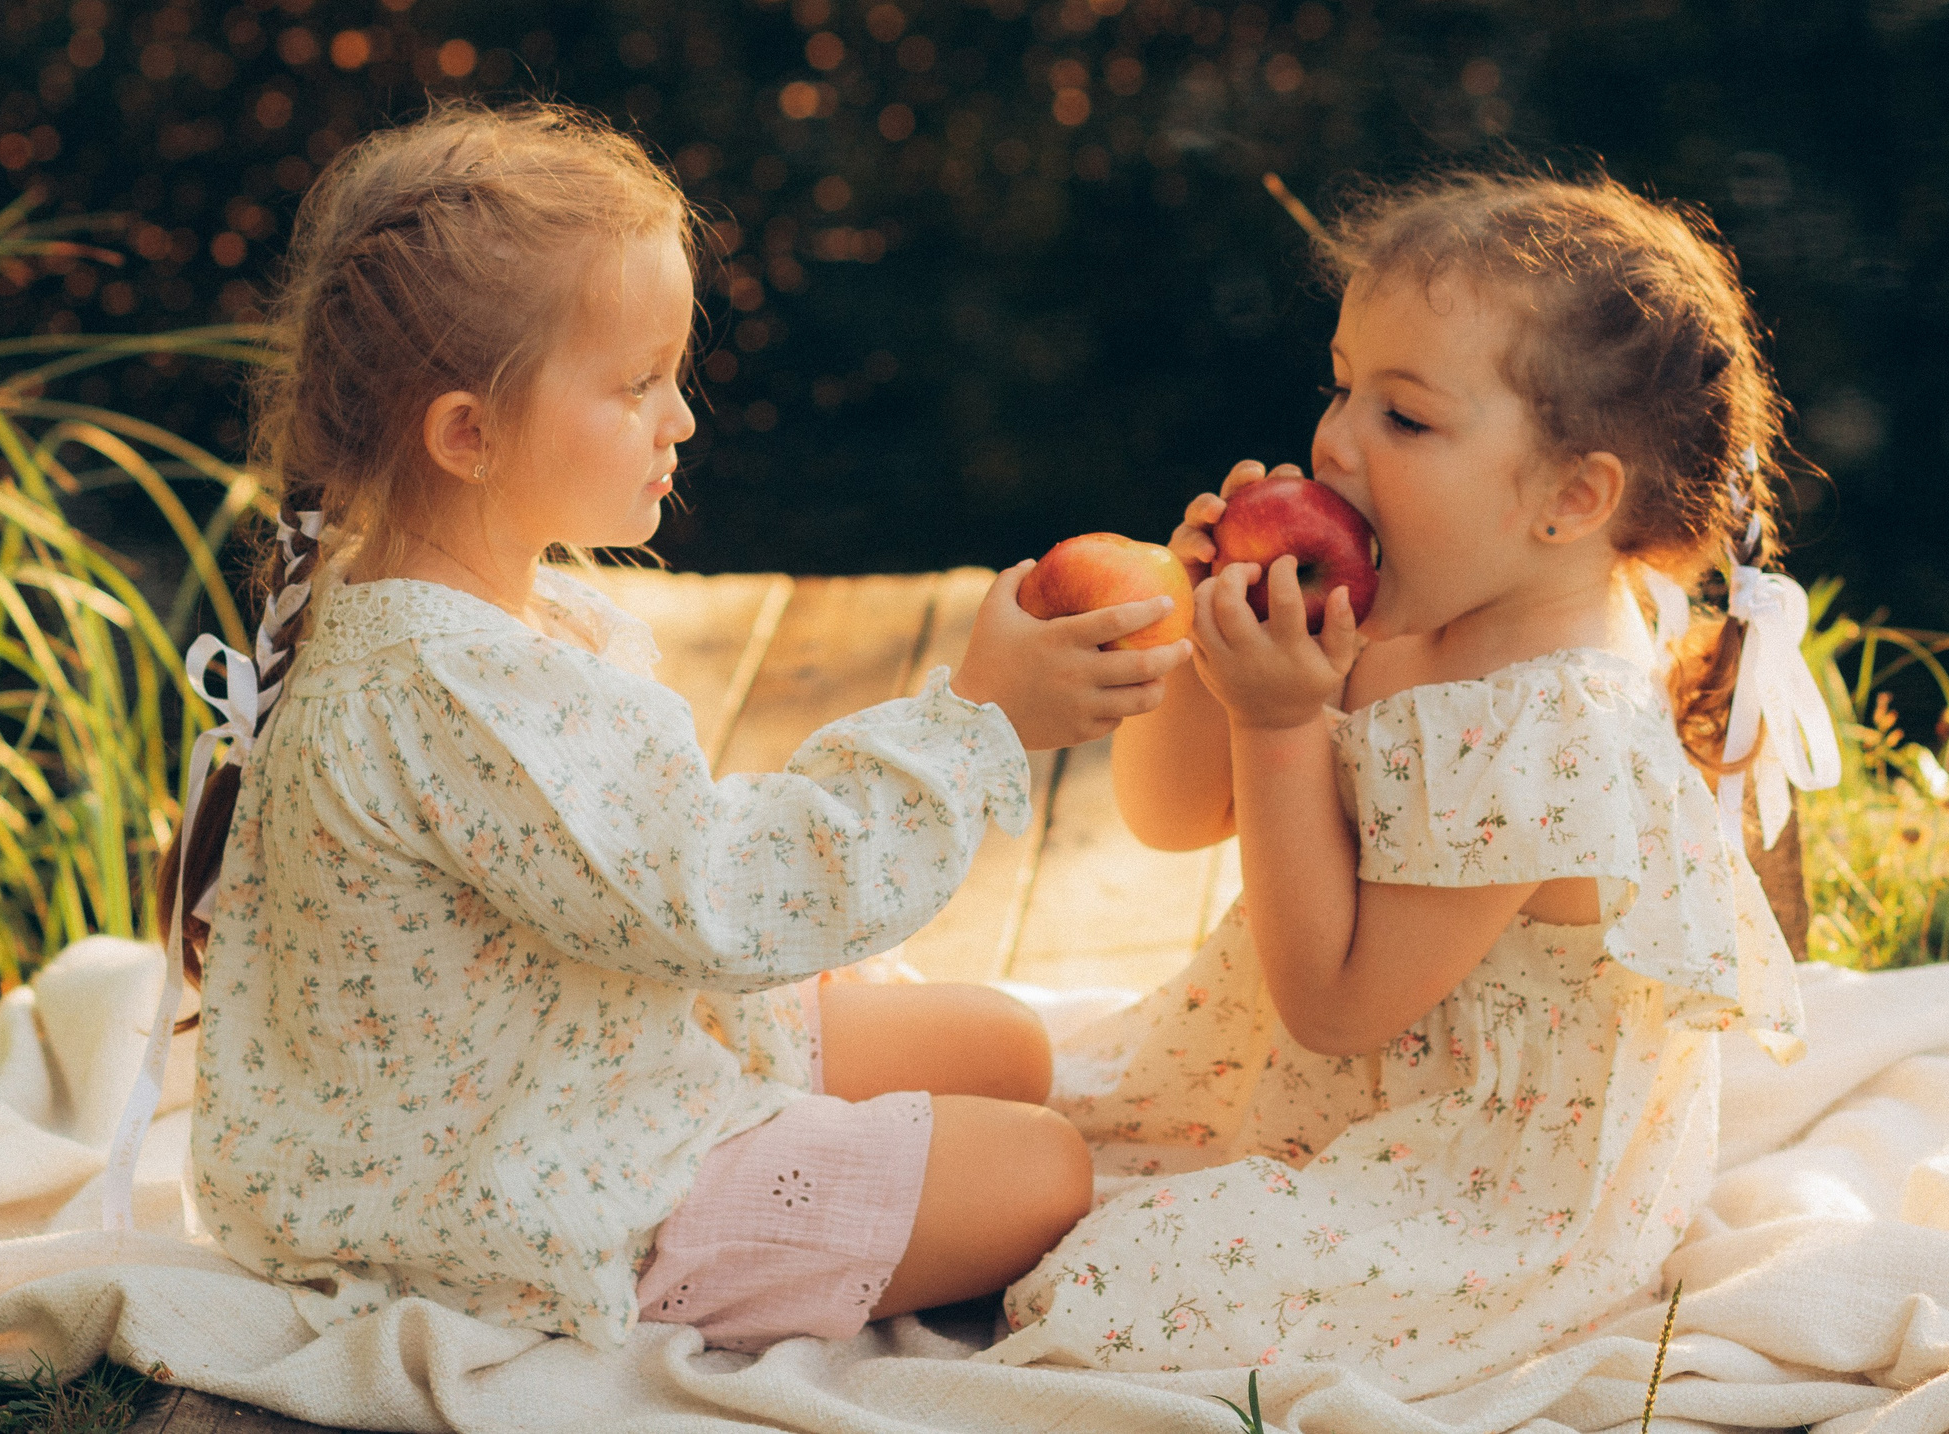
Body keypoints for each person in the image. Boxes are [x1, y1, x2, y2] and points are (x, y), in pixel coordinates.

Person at [145, 101, 1193, 1350]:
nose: (679, 418)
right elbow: (719, 894)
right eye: (637, 383)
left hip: (571, 1046)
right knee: (1041, 1170)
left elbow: (645, 875)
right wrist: (976, 722)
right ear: (467, 433)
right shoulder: (454, 690)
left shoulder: (456, 618)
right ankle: (697, 1242)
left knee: (1006, 1044)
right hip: (513, 1193)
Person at [986, 172, 1827, 1392]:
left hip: (1481, 1185)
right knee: (1011, 1086)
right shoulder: (1422, 587)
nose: (1334, 440)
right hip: (1305, 1084)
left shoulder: (1557, 729)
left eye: (1406, 418)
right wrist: (1195, 645)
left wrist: (1283, 727)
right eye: (1342, 385)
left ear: (1569, 497)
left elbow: (1339, 1004)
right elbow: (1169, 820)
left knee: (1110, 1285)